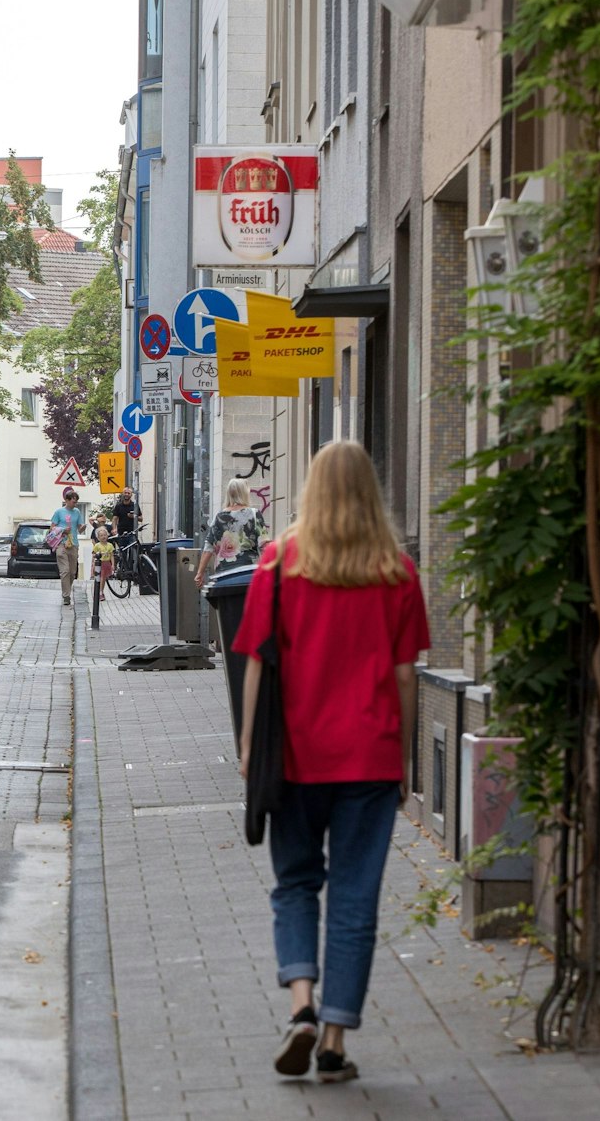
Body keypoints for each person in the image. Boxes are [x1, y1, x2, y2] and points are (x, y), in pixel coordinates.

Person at [230, 440, 428, 1086]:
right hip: (370, 760)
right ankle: (336, 1038)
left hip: (293, 757)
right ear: (372, 492)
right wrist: (403, 759)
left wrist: (248, 747)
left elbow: (256, 661)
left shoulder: (276, 564)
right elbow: (406, 675)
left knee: (294, 883)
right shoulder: (397, 572)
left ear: (311, 490)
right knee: (354, 895)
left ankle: (301, 1006)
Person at [195, 478, 269, 586]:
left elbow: (208, 547)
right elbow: (264, 545)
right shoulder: (254, 514)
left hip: (224, 575)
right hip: (248, 574)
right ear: (245, 493)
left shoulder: (219, 517)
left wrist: (200, 573)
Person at [49, 487, 87, 605]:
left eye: (76, 502)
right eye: (73, 501)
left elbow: (80, 528)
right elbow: (52, 528)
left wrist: (83, 527)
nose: (75, 503)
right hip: (61, 543)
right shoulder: (59, 512)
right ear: (67, 500)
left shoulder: (77, 512)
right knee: (65, 571)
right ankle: (66, 596)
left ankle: (67, 590)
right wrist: (62, 530)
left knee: (72, 572)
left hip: (73, 544)